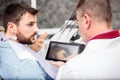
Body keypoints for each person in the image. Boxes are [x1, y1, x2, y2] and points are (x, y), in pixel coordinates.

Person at [52, 0, 120, 79]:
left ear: (86, 20)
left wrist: (67, 68)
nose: (79, 28)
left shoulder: (72, 70)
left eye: (78, 21)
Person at [0, 2, 57, 79]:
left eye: (35, 24)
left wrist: (31, 50)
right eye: (30, 25)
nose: (37, 30)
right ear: (11, 28)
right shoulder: (27, 67)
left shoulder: (3, 43)